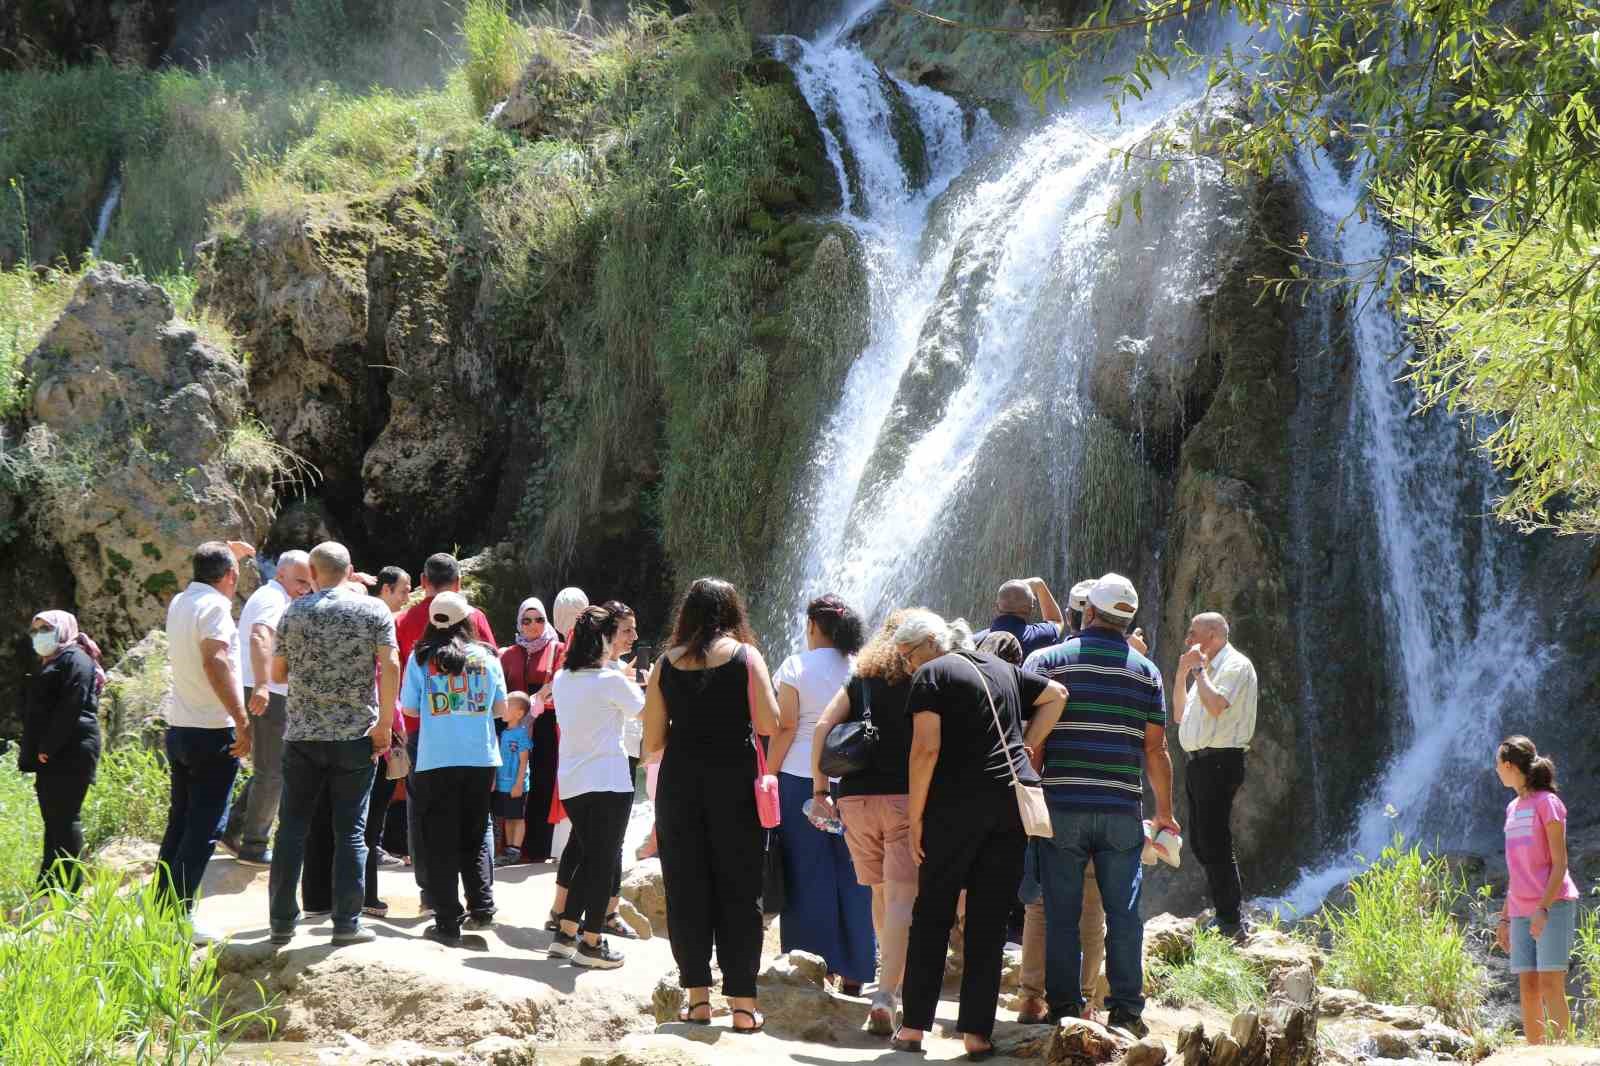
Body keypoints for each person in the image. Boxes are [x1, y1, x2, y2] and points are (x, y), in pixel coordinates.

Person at [892, 610, 1066, 1058]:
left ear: (932, 642)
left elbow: (926, 748)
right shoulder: (1006, 669)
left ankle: (913, 1028)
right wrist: (1028, 743)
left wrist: (915, 818)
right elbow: (1057, 694)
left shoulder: (932, 675)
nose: (907, 665)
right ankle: (976, 1035)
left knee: (932, 913)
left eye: (907, 655)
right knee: (988, 922)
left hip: (952, 808)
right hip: (1009, 807)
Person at [1025, 573, 1177, 1037]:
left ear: (1087, 611)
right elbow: (1156, 749)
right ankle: (1127, 1009)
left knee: (1062, 912)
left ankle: (1064, 1007)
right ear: (1126, 619)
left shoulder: (1048, 660)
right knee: (1125, 913)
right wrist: (1165, 813)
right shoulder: (1146, 671)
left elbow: (1033, 743)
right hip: (1121, 810)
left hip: (1062, 806)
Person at [642, 577, 781, 1033]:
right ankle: (742, 1006)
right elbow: (768, 721)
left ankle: (697, 1000)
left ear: (688, 614)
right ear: (733, 612)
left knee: (686, 887)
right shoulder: (745, 656)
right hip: (735, 783)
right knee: (740, 889)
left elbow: (653, 741)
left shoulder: (665, 664)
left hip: (681, 784)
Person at [266, 541, 399, 948]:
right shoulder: (373, 609)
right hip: (355, 735)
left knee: (291, 830)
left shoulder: (294, 611)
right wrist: (385, 724)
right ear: (350, 569)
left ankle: (281, 923)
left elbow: (279, 671)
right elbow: (391, 663)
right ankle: (346, 923)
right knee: (351, 832)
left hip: (303, 735)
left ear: (313, 569)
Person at [808, 609, 916, 1036]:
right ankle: (888, 993)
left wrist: (820, 791)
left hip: (854, 800)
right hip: (905, 800)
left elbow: (821, 727)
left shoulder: (861, 682)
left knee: (879, 892)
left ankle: (886, 977)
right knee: (903, 898)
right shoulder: (921, 681)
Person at [770, 595, 874, 994]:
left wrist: (767, 773)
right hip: (852, 782)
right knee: (855, 872)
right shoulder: (861, 666)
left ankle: (811, 965)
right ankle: (857, 969)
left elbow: (786, 727)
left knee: (805, 872)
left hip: (800, 778)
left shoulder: (796, 666)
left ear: (813, 625)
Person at [158, 540, 253, 942]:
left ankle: (161, 911)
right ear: (229, 576)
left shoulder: (182, 601)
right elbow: (215, 660)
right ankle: (180, 920)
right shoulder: (215, 607)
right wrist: (241, 718)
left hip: (179, 728)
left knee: (181, 823)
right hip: (211, 731)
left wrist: (228, 551)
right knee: (204, 827)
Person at [400, 590, 508, 946]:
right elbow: (499, 709)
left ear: (433, 621)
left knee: (439, 838)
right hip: (480, 758)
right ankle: (483, 907)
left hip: (436, 760)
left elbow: (411, 710)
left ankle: (448, 920)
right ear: (467, 620)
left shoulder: (420, 659)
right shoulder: (489, 658)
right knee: (475, 832)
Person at [548, 606, 645, 968]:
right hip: (608, 779)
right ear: (605, 639)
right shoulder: (610, 680)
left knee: (590, 859)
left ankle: (566, 933)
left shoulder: (562, 678)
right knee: (602, 862)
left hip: (573, 781)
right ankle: (592, 942)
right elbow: (645, 713)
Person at [222, 550, 313, 866]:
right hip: (267, 692)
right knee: (273, 772)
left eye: (309, 582)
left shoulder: (280, 596)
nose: (304, 587)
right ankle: (254, 846)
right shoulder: (271, 598)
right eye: (300, 580)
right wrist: (262, 684)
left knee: (272, 769)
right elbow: (260, 636)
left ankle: (234, 831)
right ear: (281, 574)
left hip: (271, 690)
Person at [1174, 611, 1258, 939]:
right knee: (1200, 840)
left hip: (1221, 761)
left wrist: (1197, 670)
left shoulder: (1236, 664)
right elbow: (1180, 715)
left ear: (1212, 634)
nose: (1187, 640)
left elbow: (1215, 705)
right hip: (1199, 763)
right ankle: (1225, 911)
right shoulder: (1205, 670)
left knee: (1215, 840)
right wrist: (1182, 675)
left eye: (1191, 632)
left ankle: (1231, 919)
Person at [1494, 736, 1578, 1045]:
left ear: (1509, 765)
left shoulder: (1548, 803)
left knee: (1551, 984)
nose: (1496, 772)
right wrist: (1504, 919)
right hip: (1519, 909)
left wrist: (1543, 908)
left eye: (1497, 766)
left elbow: (1559, 863)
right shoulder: (1512, 808)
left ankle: (1564, 1056)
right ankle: (1535, 1056)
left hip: (1551, 904)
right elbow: (1516, 871)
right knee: (1528, 987)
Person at [19, 610, 105, 894]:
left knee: (66, 817)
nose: (40, 634)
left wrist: (48, 747)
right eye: (37, 629)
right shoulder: (52, 661)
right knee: (53, 819)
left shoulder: (76, 660)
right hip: (52, 753)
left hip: (71, 751)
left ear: (63, 630)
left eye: (47, 628)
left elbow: (72, 706)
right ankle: (47, 885)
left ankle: (71, 888)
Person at [502, 596, 564, 863]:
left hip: (546, 727)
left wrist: (542, 696)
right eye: (526, 620)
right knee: (514, 781)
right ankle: (512, 847)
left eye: (539, 619)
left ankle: (538, 847)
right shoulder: (510, 654)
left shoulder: (558, 649)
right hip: (515, 728)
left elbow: (562, 683)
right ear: (519, 623)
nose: (533, 625)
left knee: (542, 781)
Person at [972, 577, 1064, 658]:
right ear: (1030, 609)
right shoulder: (1039, 636)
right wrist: (1039, 585)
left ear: (996, 607)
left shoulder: (974, 641)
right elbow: (1056, 621)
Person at [493, 692, 534, 865]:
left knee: (517, 817)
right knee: (508, 817)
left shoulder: (521, 734)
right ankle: (509, 849)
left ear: (519, 713)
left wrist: (518, 783)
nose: (503, 709)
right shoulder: (502, 733)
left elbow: (524, 760)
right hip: (502, 784)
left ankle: (515, 850)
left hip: (516, 785)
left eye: (507, 706)